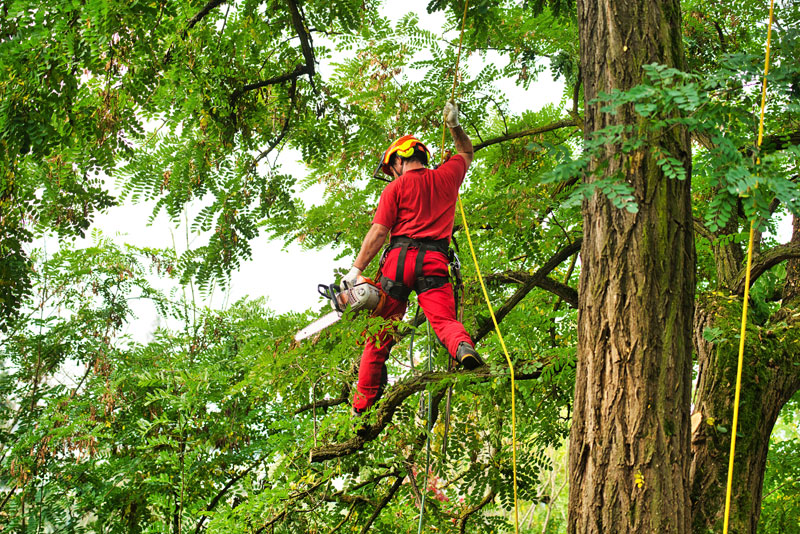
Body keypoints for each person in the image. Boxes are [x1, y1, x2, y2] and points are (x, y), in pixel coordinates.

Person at [341, 100, 485, 414]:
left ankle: (362, 406)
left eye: (390, 168)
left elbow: (379, 233)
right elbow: (466, 153)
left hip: (398, 264)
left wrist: (356, 271)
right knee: (444, 321)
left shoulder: (394, 190)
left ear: (399, 160)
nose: (391, 174)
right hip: (433, 263)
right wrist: (455, 126)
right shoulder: (447, 177)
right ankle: (462, 349)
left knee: (380, 334)